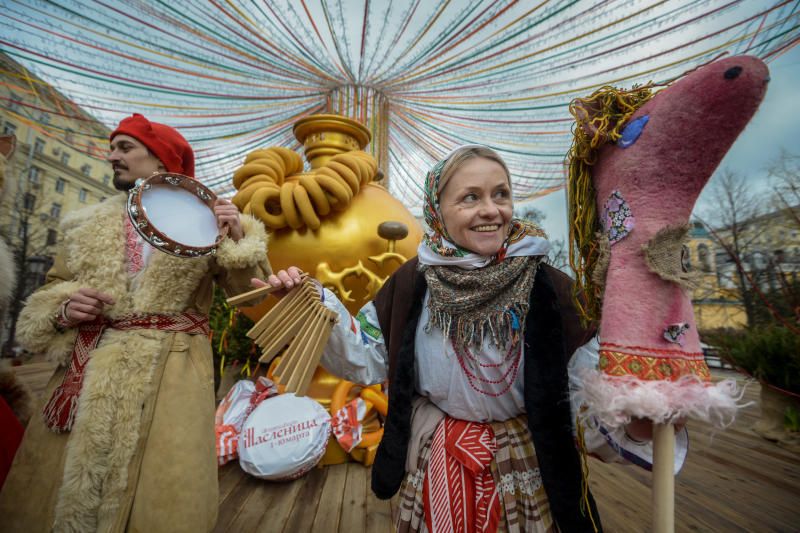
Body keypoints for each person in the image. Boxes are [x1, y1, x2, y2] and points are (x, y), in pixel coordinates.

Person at [262, 145, 687, 532]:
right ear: (437, 211)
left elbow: (579, 392)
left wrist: (633, 414)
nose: (491, 210)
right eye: (470, 198)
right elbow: (368, 358)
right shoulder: (411, 282)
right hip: (438, 460)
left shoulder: (551, 287)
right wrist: (316, 305)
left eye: (500, 195)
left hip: (523, 467)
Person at [0, 114, 272, 532]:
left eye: (125, 148)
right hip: (88, 367)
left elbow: (251, 296)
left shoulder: (207, 219)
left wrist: (238, 239)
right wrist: (63, 307)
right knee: (63, 489)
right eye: (113, 148)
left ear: (161, 159)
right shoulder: (84, 224)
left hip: (173, 374)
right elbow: (48, 293)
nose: (112, 156)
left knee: (162, 488)